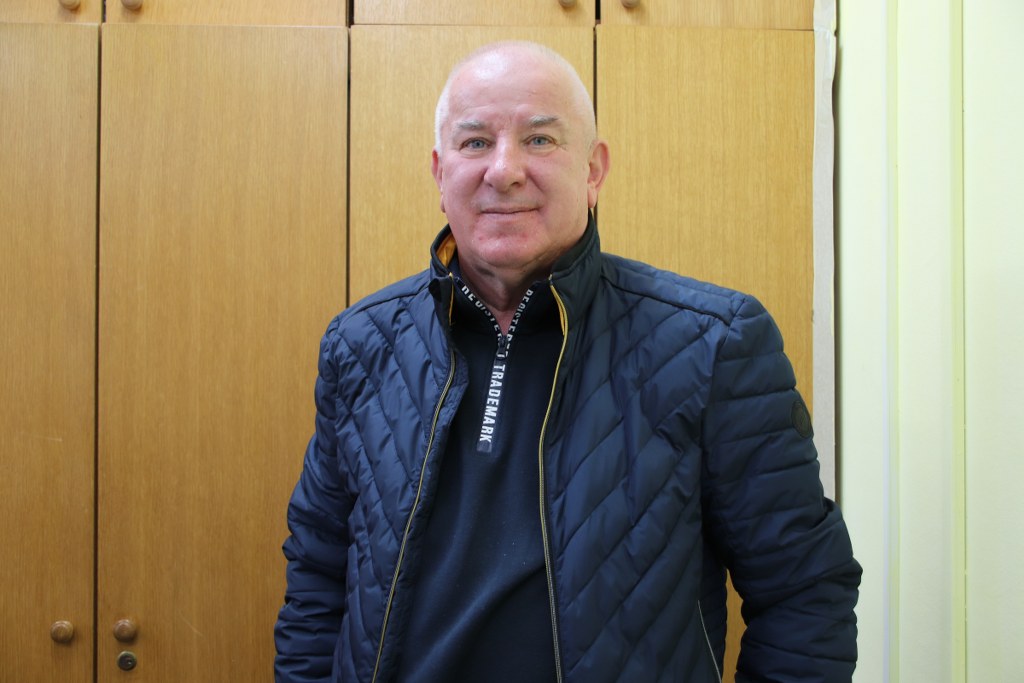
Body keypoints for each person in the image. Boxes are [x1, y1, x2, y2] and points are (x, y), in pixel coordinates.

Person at [274, 41, 860, 683]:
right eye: (475, 142)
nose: (504, 170)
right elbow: (318, 579)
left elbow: (804, 591)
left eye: (540, 139)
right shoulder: (361, 345)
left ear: (593, 169)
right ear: (440, 174)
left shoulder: (712, 344)